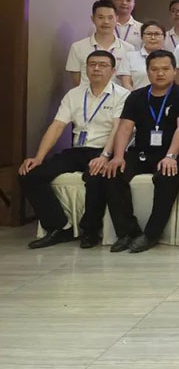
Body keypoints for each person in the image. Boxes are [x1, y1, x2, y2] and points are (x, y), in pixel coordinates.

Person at [19, 51, 128, 249]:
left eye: (103, 65)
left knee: (95, 176)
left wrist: (105, 156)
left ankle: (90, 230)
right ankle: (59, 227)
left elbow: (118, 128)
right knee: (31, 174)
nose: (96, 68)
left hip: (104, 149)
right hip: (78, 149)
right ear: (86, 68)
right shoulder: (74, 94)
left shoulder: (122, 95)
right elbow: (57, 126)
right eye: (92, 64)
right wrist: (39, 157)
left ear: (113, 71)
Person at [103, 50, 179, 252]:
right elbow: (125, 128)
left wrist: (171, 156)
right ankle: (128, 232)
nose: (160, 73)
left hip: (173, 153)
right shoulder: (136, 97)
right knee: (113, 172)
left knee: (166, 176)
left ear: (174, 71)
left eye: (165, 69)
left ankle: (151, 234)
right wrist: (117, 156)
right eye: (154, 69)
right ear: (147, 72)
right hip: (142, 151)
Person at [67, 0, 133, 89]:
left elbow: (129, 81)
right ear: (93, 19)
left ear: (117, 19)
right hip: (87, 96)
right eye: (101, 17)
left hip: (118, 97)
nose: (106, 22)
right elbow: (76, 82)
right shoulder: (77, 47)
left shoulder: (128, 49)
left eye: (110, 18)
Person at [128, 21, 166, 90]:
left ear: (164, 37)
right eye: (149, 34)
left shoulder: (171, 58)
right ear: (142, 37)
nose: (153, 37)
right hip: (137, 95)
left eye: (157, 34)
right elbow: (126, 83)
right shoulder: (130, 57)